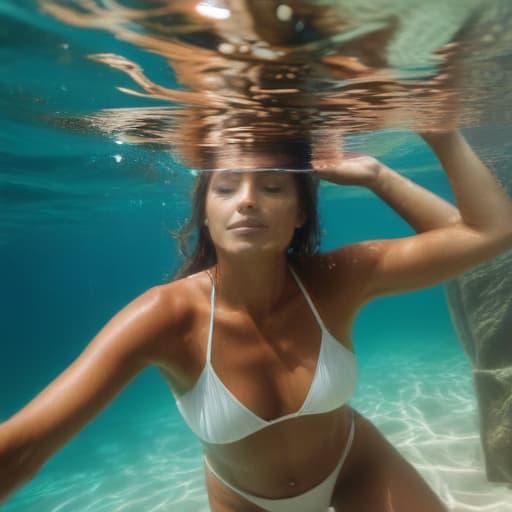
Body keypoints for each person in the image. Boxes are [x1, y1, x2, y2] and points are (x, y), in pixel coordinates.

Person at [1, 130, 511, 512]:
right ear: (205, 212)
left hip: (356, 464)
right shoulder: (166, 316)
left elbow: (487, 235)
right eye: (225, 188)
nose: (247, 199)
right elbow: (23, 448)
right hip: (247, 502)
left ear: (300, 213)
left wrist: (394, 164)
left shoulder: (334, 279)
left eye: (271, 187)